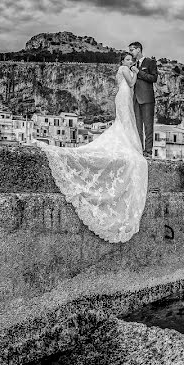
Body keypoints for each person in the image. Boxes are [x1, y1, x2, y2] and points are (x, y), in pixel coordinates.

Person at [35, 53, 148, 243]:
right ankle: (126, 141)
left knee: (126, 121)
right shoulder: (123, 70)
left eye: (131, 60)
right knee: (124, 121)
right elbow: (130, 82)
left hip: (125, 96)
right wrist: (135, 71)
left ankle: (127, 140)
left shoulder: (123, 70)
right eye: (128, 60)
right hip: (123, 95)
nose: (130, 62)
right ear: (122, 62)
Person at [128, 41, 157, 156]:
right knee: (138, 127)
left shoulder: (150, 62)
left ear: (138, 49)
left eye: (132, 50)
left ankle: (148, 151)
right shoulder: (133, 64)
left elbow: (154, 78)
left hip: (147, 99)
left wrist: (138, 72)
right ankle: (140, 150)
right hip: (136, 99)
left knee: (148, 126)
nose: (130, 52)